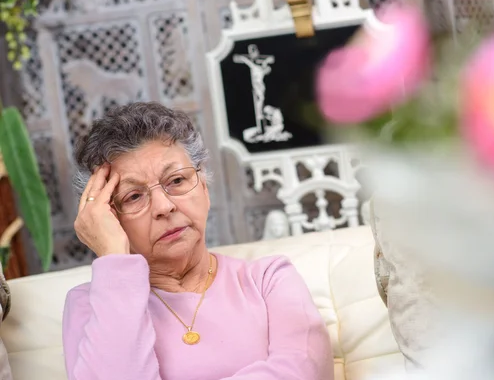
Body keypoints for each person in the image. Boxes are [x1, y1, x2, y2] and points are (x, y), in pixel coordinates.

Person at [62, 102, 334, 380]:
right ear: (108, 217)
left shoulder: (268, 280)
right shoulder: (91, 304)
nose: (164, 206)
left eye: (177, 180)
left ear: (203, 186)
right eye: (133, 196)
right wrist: (113, 259)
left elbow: (305, 371)